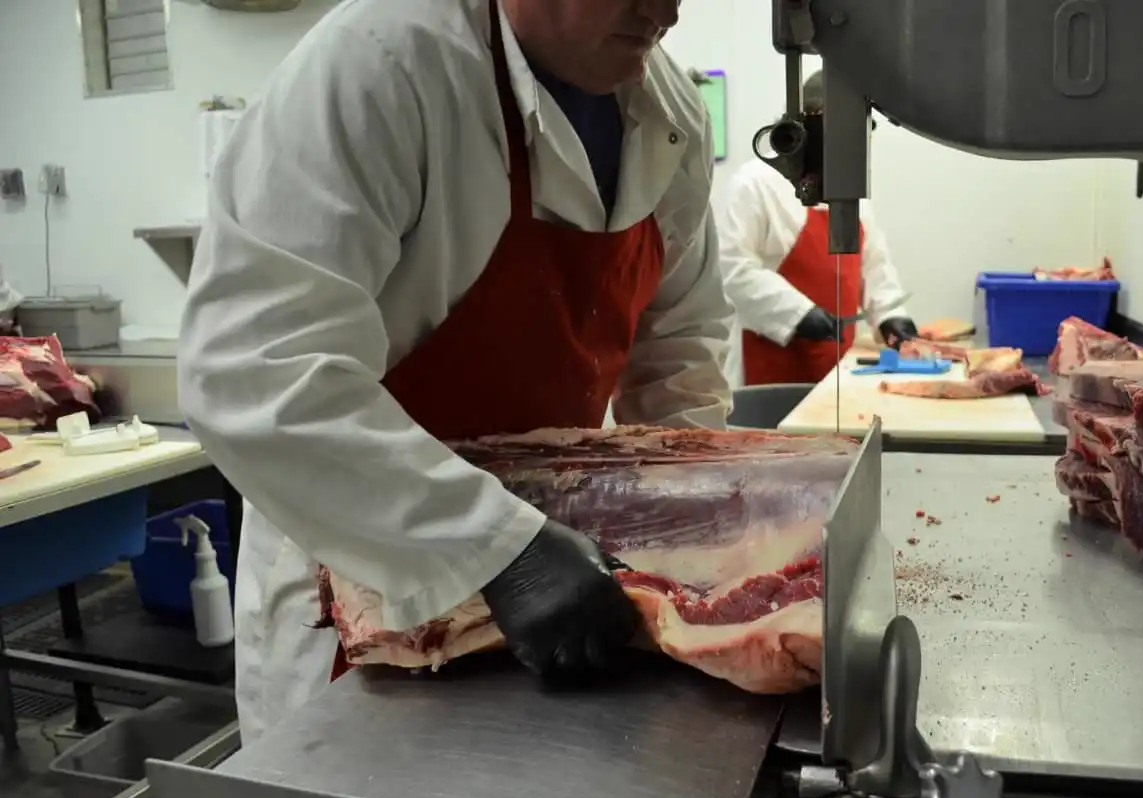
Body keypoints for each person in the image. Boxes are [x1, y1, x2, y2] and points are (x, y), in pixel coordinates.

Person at [176, 0, 733, 745]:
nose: (665, 12)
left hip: (560, 585)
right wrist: (498, 549)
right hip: (367, 596)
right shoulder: (383, 64)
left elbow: (682, 348)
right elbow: (257, 370)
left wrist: (692, 535)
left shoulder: (668, 111)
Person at [719, 70, 919, 385]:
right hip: (770, 367)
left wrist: (891, 317)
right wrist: (799, 314)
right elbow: (733, 269)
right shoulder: (754, 183)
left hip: (835, 371)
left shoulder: (849, 192)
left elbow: (874, 268)